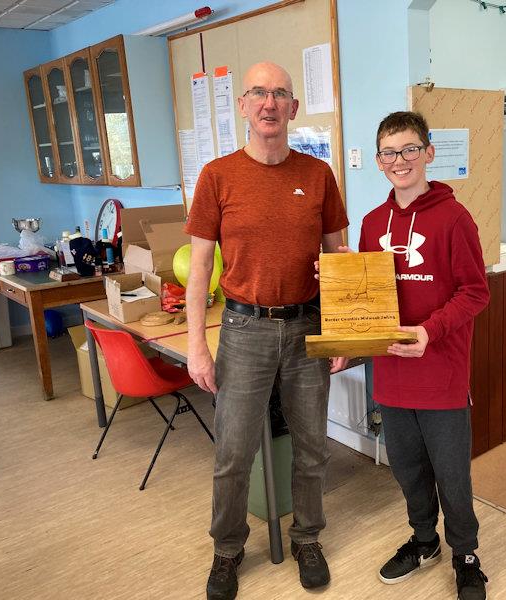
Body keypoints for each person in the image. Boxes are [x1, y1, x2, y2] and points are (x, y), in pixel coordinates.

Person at [184, 61, 349, 600]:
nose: (269, 103)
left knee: (311, 447)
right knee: (232, 451)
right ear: (243, 105)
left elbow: (339, 259)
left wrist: (343, 330)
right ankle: (227, 551)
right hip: (243, 329)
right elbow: (201, 269)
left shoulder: (318, 175)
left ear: (294, 108)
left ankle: (307, 537)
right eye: (259, 93)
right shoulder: (217, 176)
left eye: (280, 93)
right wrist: (196, 347)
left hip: (307, 327)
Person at [358, 111, 491, 600]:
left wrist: (429, 331)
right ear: (378, 161)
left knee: (452, 473)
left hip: (441, 373)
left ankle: (466, 554)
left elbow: (476, 293)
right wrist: (333, 289)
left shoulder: (455, 218)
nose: (401, 161)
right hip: (391, 374)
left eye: (410, 149)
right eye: (390, 153)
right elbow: (366, 297)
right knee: (408, 468)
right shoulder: (372, 224)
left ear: (429, 152)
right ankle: (423, 540)